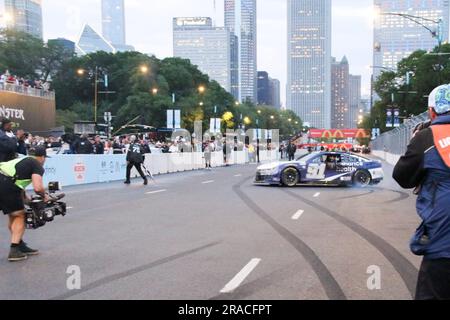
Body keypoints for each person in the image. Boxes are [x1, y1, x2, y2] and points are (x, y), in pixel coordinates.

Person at [393, 84, 450, 300]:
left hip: (443, 245)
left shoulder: (427, 137)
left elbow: (403, 177)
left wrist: (414, 140)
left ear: (432, 112)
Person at [0, 146, 49, 262]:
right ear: (42, 157)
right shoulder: (36, 164)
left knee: (13, 214)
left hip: (4, 181)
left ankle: (19, 244)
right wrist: (45, 196)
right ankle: (14, 249)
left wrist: (27, 201)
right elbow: (38, 188)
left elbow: (17, 183)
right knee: (19, 215)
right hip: (5, 184)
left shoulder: (22, 161)